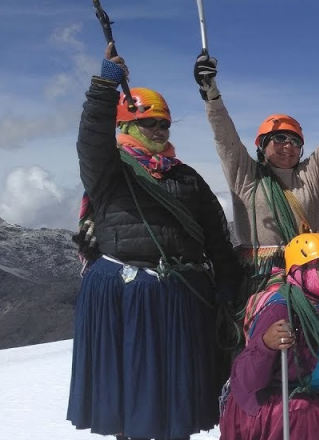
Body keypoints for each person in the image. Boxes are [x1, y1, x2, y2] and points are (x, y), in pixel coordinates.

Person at [67, 43, 241, 440]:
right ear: (126, 126)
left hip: (180, 293)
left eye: (165, 124)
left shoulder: (186, 177)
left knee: (173, 392)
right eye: (151, 124)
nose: (160, 131)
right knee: (134, 388)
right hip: (126, 293)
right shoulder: (109, 171)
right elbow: (90, 142)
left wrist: (227, 283)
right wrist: (103, 87)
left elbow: (215, 234)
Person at [192, 52, 319, 300]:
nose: (288, 145)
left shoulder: (311, 177)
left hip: (307, 272)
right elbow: (224, 136)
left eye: (295, 141)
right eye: (279, 138)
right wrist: (211, 94)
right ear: (262, 145)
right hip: (258, 277)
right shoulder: (246, 175)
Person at [219, 233, 319, 439]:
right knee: (303, 414)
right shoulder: (281, 310)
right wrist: (265, 345)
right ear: (299, 272)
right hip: (284, 406)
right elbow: (246, 381)